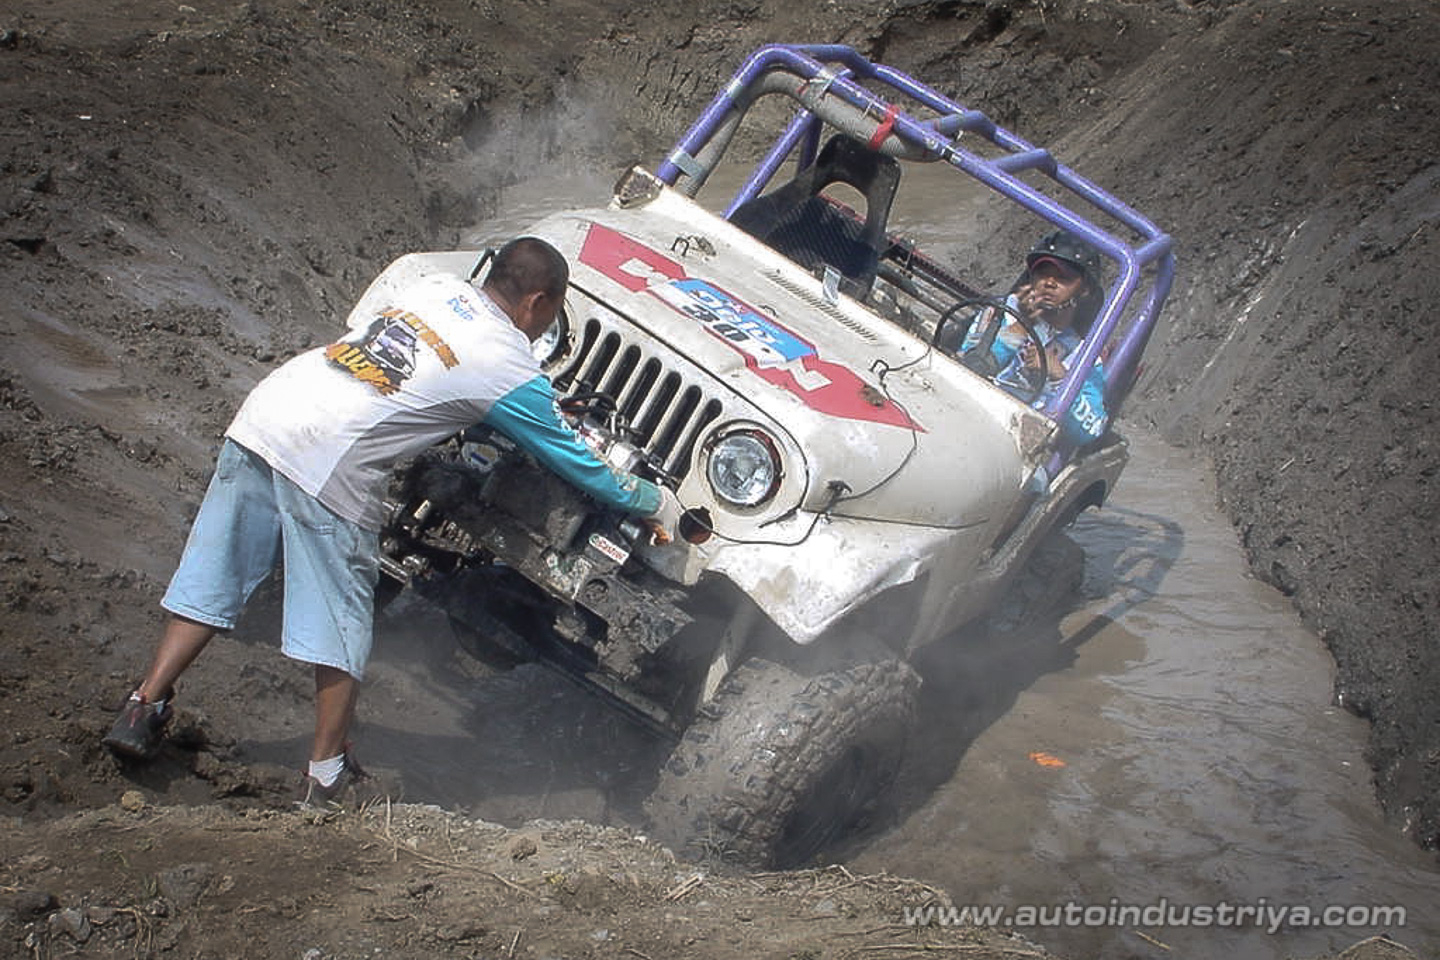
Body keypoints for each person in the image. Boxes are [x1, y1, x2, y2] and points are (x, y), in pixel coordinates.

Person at [103, 236, 677, 804]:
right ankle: (328, 774)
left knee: (219, 568)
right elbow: (577, 462)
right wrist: (651, 503)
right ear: (540, 304)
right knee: (344, 620)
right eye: (550, 314)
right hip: (331, 460)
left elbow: (410, 375)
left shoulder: (436, 288)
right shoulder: (508, 363)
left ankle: (143, 705)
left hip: (272, 411)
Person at [958, 230, 1109, 447]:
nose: (1049, 282)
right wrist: (1020, 328)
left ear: (1084, 289)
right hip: (970, 410)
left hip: (1021, 443)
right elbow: (967, 369)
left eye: (1062, 277)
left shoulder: (1085, 355)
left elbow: (1091, 430)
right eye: (1042, 273)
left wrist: (1060, 377)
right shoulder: (1001, 311)